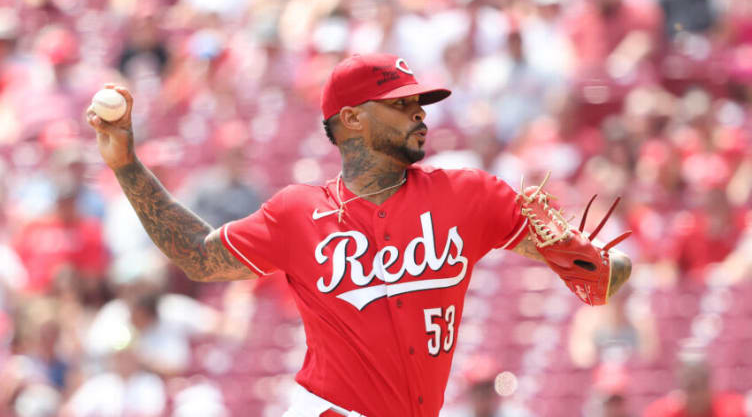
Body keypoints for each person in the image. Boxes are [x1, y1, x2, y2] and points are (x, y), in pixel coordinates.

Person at [85, 53, 631, 417]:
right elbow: (201, 258)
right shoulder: (297, 213)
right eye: (401, 104)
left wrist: (604, 267)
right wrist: (128, 165)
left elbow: (601, 278)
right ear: (349, 120)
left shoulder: (470, 195)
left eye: (420, 103)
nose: (419, 114)